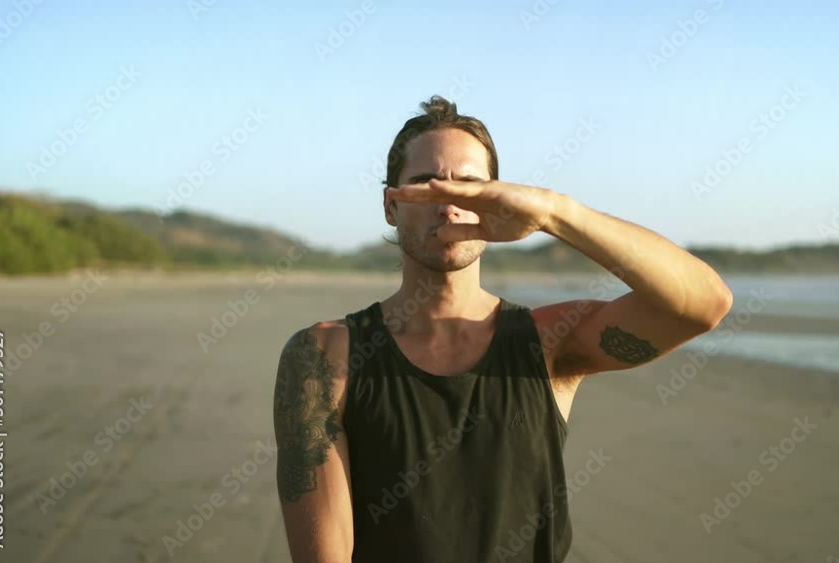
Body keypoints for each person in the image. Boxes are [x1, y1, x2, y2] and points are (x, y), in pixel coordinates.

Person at [272, 95, 733, 563]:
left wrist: (554, 213)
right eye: (426, 185)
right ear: (391, 206)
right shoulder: (325, 356)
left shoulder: (549, 342)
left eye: (471, 188)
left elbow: (704, 305)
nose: (449, 204)